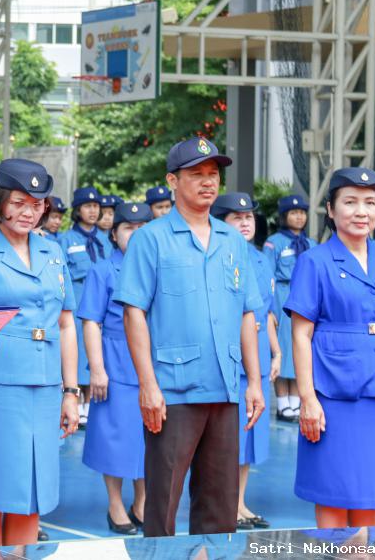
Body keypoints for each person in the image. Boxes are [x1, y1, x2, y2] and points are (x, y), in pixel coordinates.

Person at [116, 138, 265, 537]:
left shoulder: (232, 240)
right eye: (196, 174)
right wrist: (148, 385)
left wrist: (253, 381)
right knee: (162, 502)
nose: (207, 182)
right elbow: (133, 313)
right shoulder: (151, 239)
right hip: (173, 390)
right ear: (172, 181)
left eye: (213, 174)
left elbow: (247, 312)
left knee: (220, 505)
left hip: (224, 387)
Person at [0, 159, 79, 548]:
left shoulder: (52, 251)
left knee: (32, 495)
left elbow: (66, 323)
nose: (29, 212)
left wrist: (70, 391)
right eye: (19, 203)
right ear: (0, 203)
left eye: (37, 204)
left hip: (45, 388)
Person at [283, 167, 375, 529]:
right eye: (350, 202)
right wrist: (307, 398)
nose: (362, 211)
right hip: (333, 393)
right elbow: (301, 335)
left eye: (370, 203)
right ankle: (336, 553)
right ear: (330, 209)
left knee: (373, 493)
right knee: (333, 491)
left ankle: (365, 554)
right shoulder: (314, 262)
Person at [80, 201, 153, 536]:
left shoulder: (158, 267)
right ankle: (114, 504)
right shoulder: (103, 271)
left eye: (142, 229)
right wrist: (97, 369)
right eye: (128, 228)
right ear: (114, 234)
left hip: (151, 363)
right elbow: (90, 321)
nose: (135, 235)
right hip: (115, 360)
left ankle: (142, 502)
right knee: (115, 438)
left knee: (150, 437)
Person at [210, 192, 281, 531]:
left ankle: (239, 502)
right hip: (228, 355)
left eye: (249, 217)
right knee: (227, 437)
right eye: (236, 217)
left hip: (258, 356)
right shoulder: (215, 256)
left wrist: (276, 350)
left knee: (250, 438)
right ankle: (224, 504)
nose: (244, 222)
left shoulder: (261, 260)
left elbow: (265, 311)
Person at [265, 194, 317, 423]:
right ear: (284, 216)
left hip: (304, 297)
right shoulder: (274, 242)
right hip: (282, 296)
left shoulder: (311, 244)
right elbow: (268, 275)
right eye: (294, 213)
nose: (299, 217)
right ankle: (282, 403)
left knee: (301, 349)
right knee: (283, 349)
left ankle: (296, 402)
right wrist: (270, 308)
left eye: (302, 213)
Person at [59, 186, 108, 425]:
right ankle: (76, 401)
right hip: (78, 302)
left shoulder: (106, 238)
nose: (92, 211)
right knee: (77, 349)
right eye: (87, 206)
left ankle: (91, 402)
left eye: (96, 206)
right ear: (78, 210)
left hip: (103, 302)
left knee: (98, 349)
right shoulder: (66, 239)